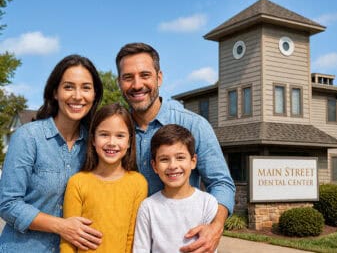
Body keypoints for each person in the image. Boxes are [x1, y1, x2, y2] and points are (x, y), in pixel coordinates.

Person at [115, 42, 236, 252]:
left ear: (159, 77)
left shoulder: (195, 125)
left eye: (145, 75)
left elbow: (221, 183)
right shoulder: (114, 133)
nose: (137, 85)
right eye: (128, 77)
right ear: (119, 83)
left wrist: (216, 226)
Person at [0, 55, 104, 253]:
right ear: (55, 92)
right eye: (68, 87)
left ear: (94, 94)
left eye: (86, 87)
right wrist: (61, 226)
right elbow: (8, 203)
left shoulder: (95, 144)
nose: (77, 95)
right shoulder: (28, 137)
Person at [60, 103, 148, 253]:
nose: (112, 143)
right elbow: (68, 240)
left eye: (120, 136)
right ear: (93, 139)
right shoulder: (78, 182)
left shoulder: (138, 183)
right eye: (104, 134)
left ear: (129, 142)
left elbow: (132, 238)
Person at [133, 124, 219, 252]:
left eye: (180, 157)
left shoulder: (208, 203)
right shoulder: (148, 207)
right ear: (155, 166)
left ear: (193, 161)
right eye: (164, 159)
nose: (173, 165)